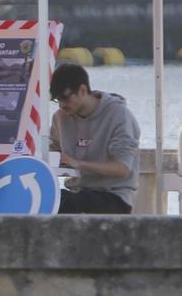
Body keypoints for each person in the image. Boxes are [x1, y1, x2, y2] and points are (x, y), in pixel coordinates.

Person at [49, 62, 141, 214]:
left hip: (113, 195)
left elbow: (122, 168)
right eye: (57, 100)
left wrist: (79, 164)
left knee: (66, 205)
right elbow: (53, 153)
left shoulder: (119, 115)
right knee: (46, 200)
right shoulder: (60, 118)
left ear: (83, 90)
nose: (62, 105)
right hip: (77, 191)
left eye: (65, 98)